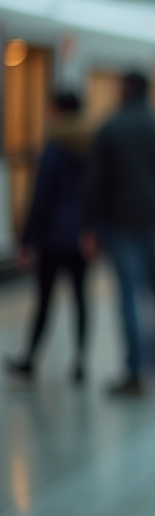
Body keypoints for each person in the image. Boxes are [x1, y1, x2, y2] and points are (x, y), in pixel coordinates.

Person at [83, 71, 155, 397]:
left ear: (124, 90)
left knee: (129, 296)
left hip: (122, 224)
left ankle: (135, 371)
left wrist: (89, 226)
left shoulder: (109, 129)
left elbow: (95, 182)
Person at [5, 92, 91, 382]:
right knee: (81, 299)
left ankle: (29, 359)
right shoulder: (91, 146)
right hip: (82, 237)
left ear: (57, 111)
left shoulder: (53, 148)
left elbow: (41, 198)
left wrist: (27, 241)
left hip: (54, 237)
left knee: (44, 300)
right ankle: (80, 362)